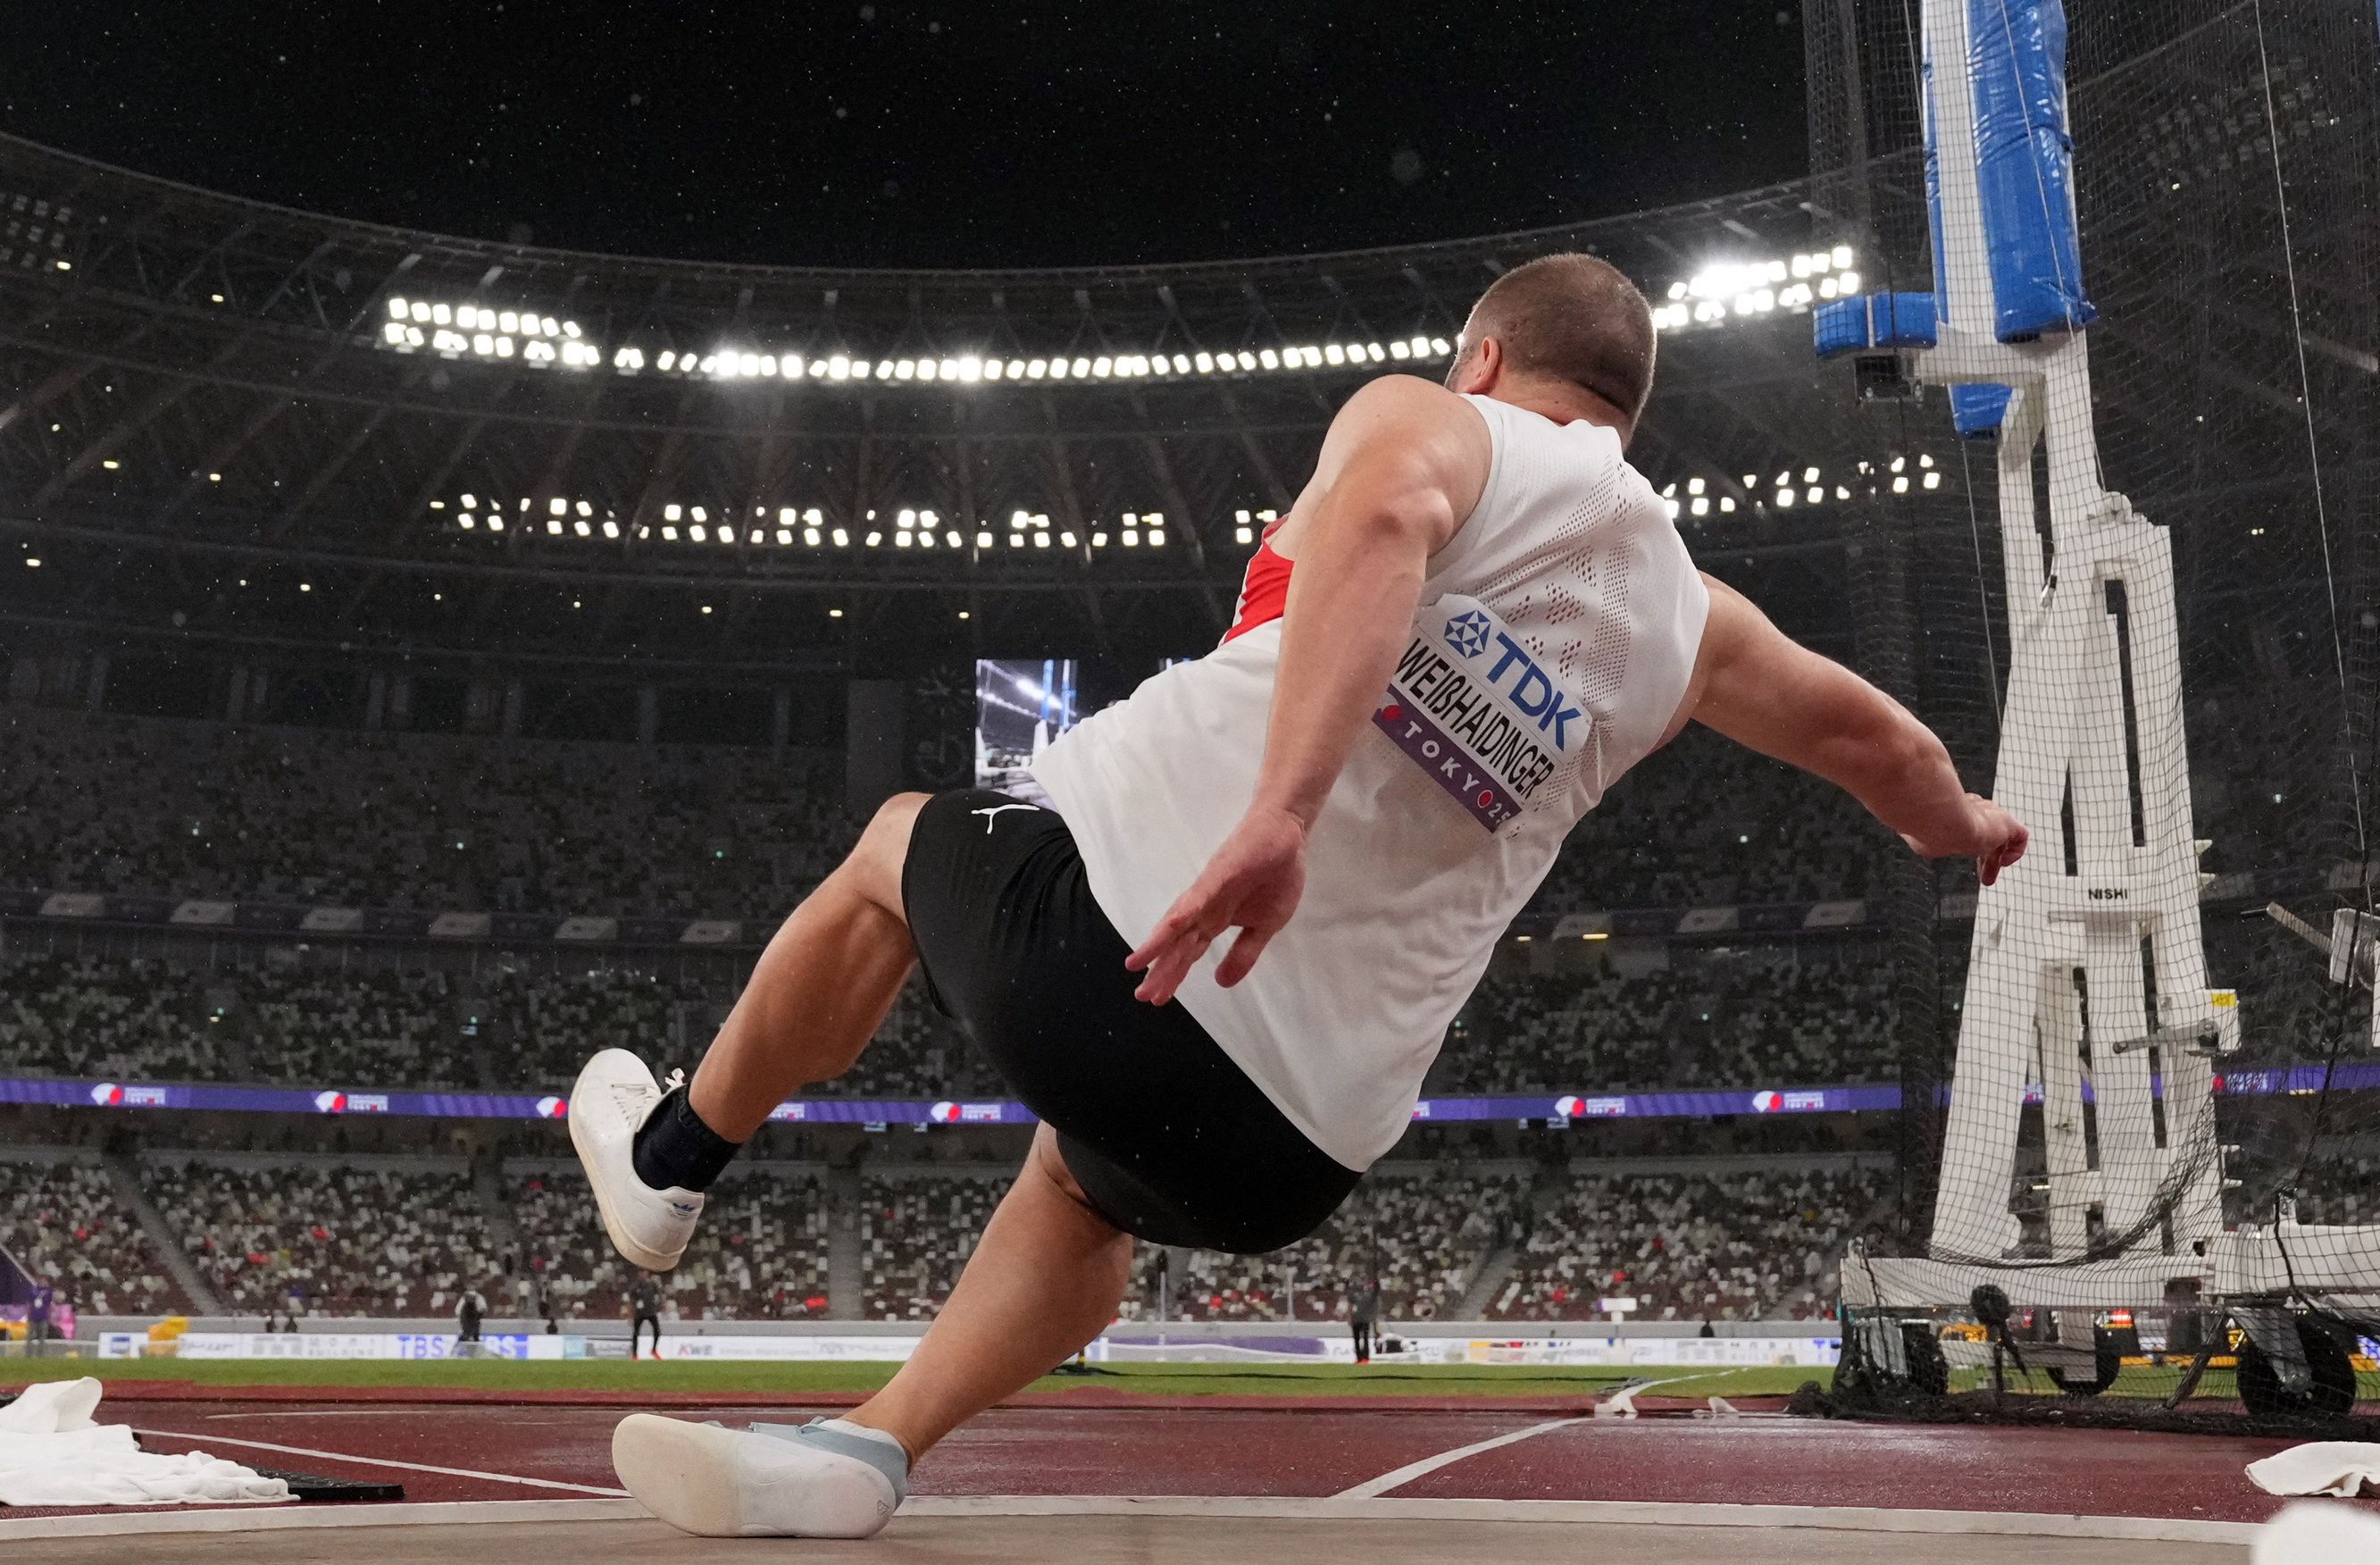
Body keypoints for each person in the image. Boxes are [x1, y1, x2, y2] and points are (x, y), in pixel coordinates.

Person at [566, 251, 2029, 1540]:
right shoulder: (1694, 627)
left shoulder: (1439, 420)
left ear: (1489, 358)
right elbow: (1880, 743)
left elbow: (1390, 506)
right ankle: (867, 1449)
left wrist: (1280, 815)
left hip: (1111, 940)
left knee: (895, 840)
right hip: (1290, 1150)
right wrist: (1957, 822)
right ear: (1628, 414)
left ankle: (674, 1161)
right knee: (1081, 1188)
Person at [630, 1272, 663, 1360]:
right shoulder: (635, 1285)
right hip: (639, 1312)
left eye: (644, 1273)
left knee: (657, 1331)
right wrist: (635, 1304)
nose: (642, 1275)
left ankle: (654, 1350)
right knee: (636, 1333)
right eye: (641, 1273)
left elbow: (658, 1295)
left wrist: (658, 1304)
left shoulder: (652, 1284)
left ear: (647, 1274)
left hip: (651, 1311)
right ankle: (634, 1355)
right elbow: (631, 1297)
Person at [1348, 1279, 1380, 1366]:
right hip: (1356, 1319)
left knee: (1365, 1339)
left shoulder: (1369, 1295)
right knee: (1356, 1340)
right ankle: (1358, 1358)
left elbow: (1373, 1303)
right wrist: (1350, 1318)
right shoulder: (1354, 1295)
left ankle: (1365, 1358)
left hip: (1365, 1319)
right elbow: (1350, 1306)